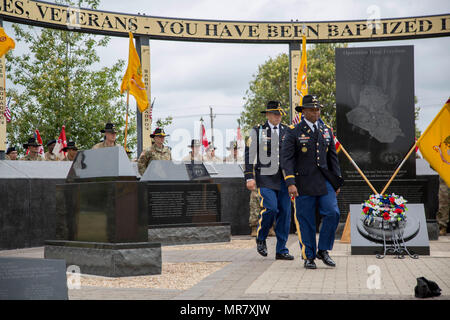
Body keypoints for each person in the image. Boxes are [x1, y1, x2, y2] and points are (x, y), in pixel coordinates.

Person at [281, 94, 343, 269]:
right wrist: (290, 182)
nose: (316, 112)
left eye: (318, 109)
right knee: (306, 220)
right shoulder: (293, 131)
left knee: (333, 213)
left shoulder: (326, 130)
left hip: (325, 182)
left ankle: (323, 249)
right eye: (313, 110)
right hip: (303, 183)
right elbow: (287, 159)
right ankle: (309, 256)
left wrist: (336, 182)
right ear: (304, 111)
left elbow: (333, 159)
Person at [244, 100, 293, 260]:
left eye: (279, 114)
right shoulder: (258, 131)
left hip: (285, 178)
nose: (278, 116)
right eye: (274, 113)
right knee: (271, 208)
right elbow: (249, 156)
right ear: (267, 114)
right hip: (265, 177)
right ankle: (261, 236)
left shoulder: (287, 131)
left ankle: (281, 249)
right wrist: (249, 177)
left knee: (285, 214)